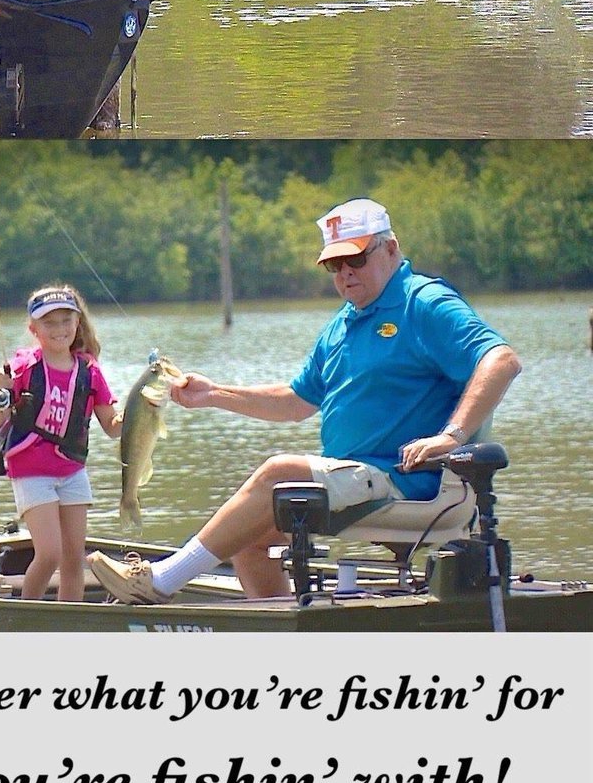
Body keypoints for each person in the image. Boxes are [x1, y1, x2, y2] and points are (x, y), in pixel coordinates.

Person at [88, 197, 522, 604]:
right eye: (333, 265)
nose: (344, 273)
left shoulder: (424, 303)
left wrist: (451, 435)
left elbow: (501, 359)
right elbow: (297, 400)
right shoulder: (343, 324)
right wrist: (214, 394)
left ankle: (161, 581)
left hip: (413, 479)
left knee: (280, 471)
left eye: (355, 259)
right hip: (356, 479)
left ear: (391, 249)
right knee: (247, 538)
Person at [0, 284, 122, 601]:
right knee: (49, 554)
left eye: (65, 321)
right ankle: (26, 617)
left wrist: (141, 412)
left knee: (74, 559)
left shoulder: (89, 370)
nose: (59, 329)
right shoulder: (22, 368)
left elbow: (113, 427)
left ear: (77, 324)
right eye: (49, 323)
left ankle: (69, 623)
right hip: (32, 472)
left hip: (72, 470)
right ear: (34, 329)